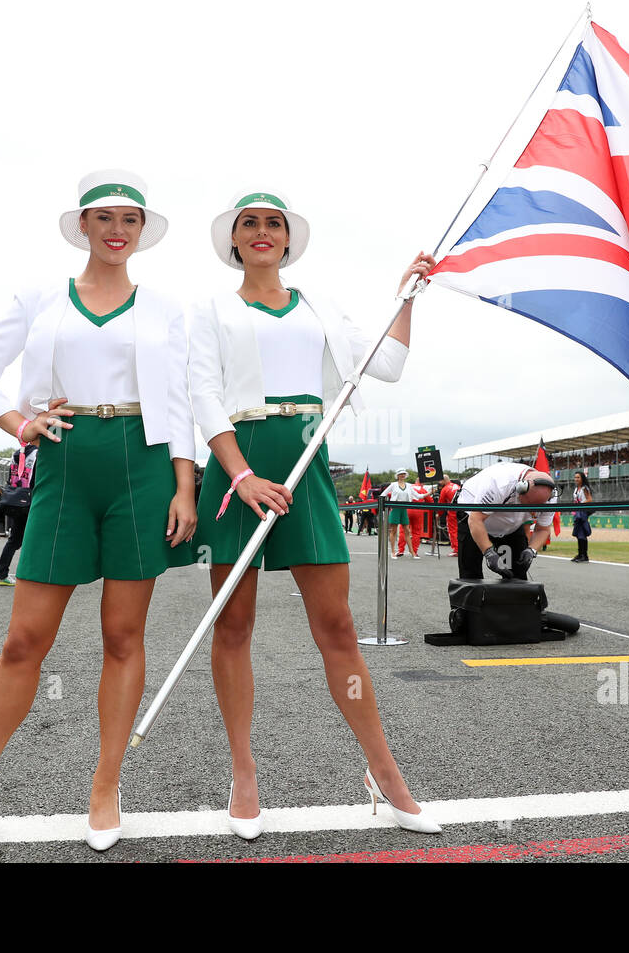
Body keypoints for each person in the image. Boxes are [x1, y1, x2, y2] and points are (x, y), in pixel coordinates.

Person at [0, 169, 196, 854]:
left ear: (143, 231)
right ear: (82, 226)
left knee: (123, 635)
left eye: (130, 219)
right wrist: (16, 423)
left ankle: (106, 784)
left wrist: (184, 486)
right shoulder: (39, 297)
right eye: (104, 218)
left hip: (142, 463)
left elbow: (180, 401)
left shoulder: (167, 310)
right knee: (22, 640)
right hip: (65, 458)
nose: (117, 230)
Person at [188, 187, 438, 839]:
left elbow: (387, 363)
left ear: (288, 240)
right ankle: (243, 772)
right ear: (234, 240)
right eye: (251, 224)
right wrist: (239, 473)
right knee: (233, 626)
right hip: (237, 464)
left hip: (305, 461)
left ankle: (383, 772)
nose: (264, 231)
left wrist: (407, 296)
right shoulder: (212, 311)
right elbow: (202, 394)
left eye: (275, 223)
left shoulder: (320, 308)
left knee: (338, 629)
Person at [455, 462, 557, 582]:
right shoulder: (498, 484)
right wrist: (488, 552)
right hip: (472, 518)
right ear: (520, 489)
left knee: (516, 573)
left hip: (511, 528)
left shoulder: (551, 497)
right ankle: (471, 600)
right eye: (530, 505)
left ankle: (514, 600)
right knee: (471, 574)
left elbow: (543, 529)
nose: (533, 511)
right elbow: (475, 519)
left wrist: (531, 550)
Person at [0, 444, 35, 587]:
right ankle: (32, 574)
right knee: (37, 539)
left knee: (14, 540)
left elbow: (11, 478)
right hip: (32, 501)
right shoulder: (39, 454)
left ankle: (0, 573)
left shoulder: (17, 454)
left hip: (16, 501)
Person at [380, 469, 420, 559]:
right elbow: (383, 494)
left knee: (407, 530)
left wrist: (429, 493)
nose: (402, 475)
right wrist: (386, 504)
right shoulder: (393, 485)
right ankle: (393, 551)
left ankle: (412, 552)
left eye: (404, 474)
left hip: (404, 509)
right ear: (397, 475)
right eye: (400, 474)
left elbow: (418, 496)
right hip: (395, 509)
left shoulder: (409, 485)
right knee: (393, 530)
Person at [569, 470, 593, 563]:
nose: (576, 479)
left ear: (582, 478)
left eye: (578, 477)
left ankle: (584, 555)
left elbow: (589, 499)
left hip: (582, 512)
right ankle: (580, 554)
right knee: (578, 534)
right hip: (577, 512)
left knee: (582, 533)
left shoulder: (584, 488)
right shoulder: (576, 489)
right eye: (575, 477)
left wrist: (580, 504)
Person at [437, 476, 459, 555]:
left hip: (452, 512)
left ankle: (456, 549)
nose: (439, 483)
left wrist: (438, 514)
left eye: (440, 481)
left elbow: (441, 504)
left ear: (443, 480)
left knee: (452, 530)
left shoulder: (445, 489)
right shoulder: (457, 486)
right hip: (462, 512)